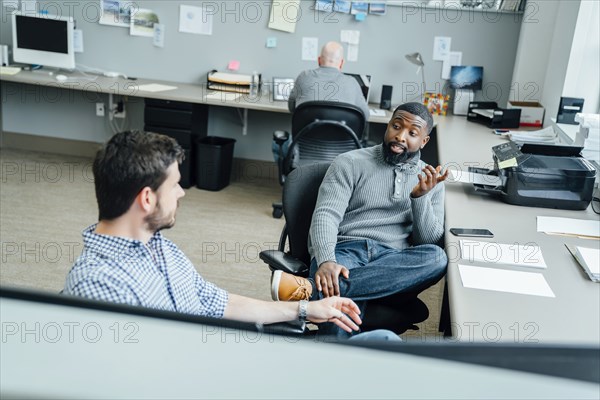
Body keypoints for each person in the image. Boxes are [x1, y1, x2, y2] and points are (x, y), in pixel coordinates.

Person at [63, 130, 398, 341]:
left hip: (229, 358)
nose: (181, 193)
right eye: (175, 185)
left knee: (383, 342)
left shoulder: (160, 247)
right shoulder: (99, 285)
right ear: (146, 198)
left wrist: (307, 310)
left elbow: (218, 302)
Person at [271, 102, 449, 338]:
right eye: (396, 126)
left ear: (424, 141)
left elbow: (428, 241)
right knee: (337, 307)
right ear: (388, 126)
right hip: (344, 251)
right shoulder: (350, 162)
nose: (400, 136)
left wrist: (420, 198)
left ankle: (311, 292)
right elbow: (326, 214)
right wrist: (325, 260)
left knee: (436, 257)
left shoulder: (431, 179)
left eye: (412, 133)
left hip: (391, 261)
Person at [272, 41, 370, 160]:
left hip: (304, 155)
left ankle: (293, 178)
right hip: (342, 159)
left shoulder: (304, 77)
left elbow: (291, 107)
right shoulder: (352, 83)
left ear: (319, 60)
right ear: (341, 63)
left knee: (277, 145)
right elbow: (365, 116)